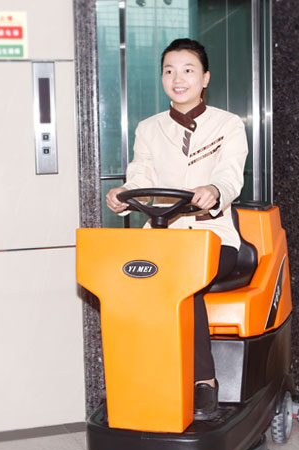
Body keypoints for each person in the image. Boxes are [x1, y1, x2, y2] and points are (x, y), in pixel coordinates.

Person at [105, 38, 248, 420]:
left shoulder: (228, 125)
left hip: (213, 237)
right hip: (164, 238)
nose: (178, 78)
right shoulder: (148, 129)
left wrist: (214, 190)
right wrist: (123, 194)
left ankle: (204, 380)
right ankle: (141, 374)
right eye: (169, 71)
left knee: (183, 278)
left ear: (205, 78)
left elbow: (230, 175)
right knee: (128, 277)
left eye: (187, 70)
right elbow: (140, 176)